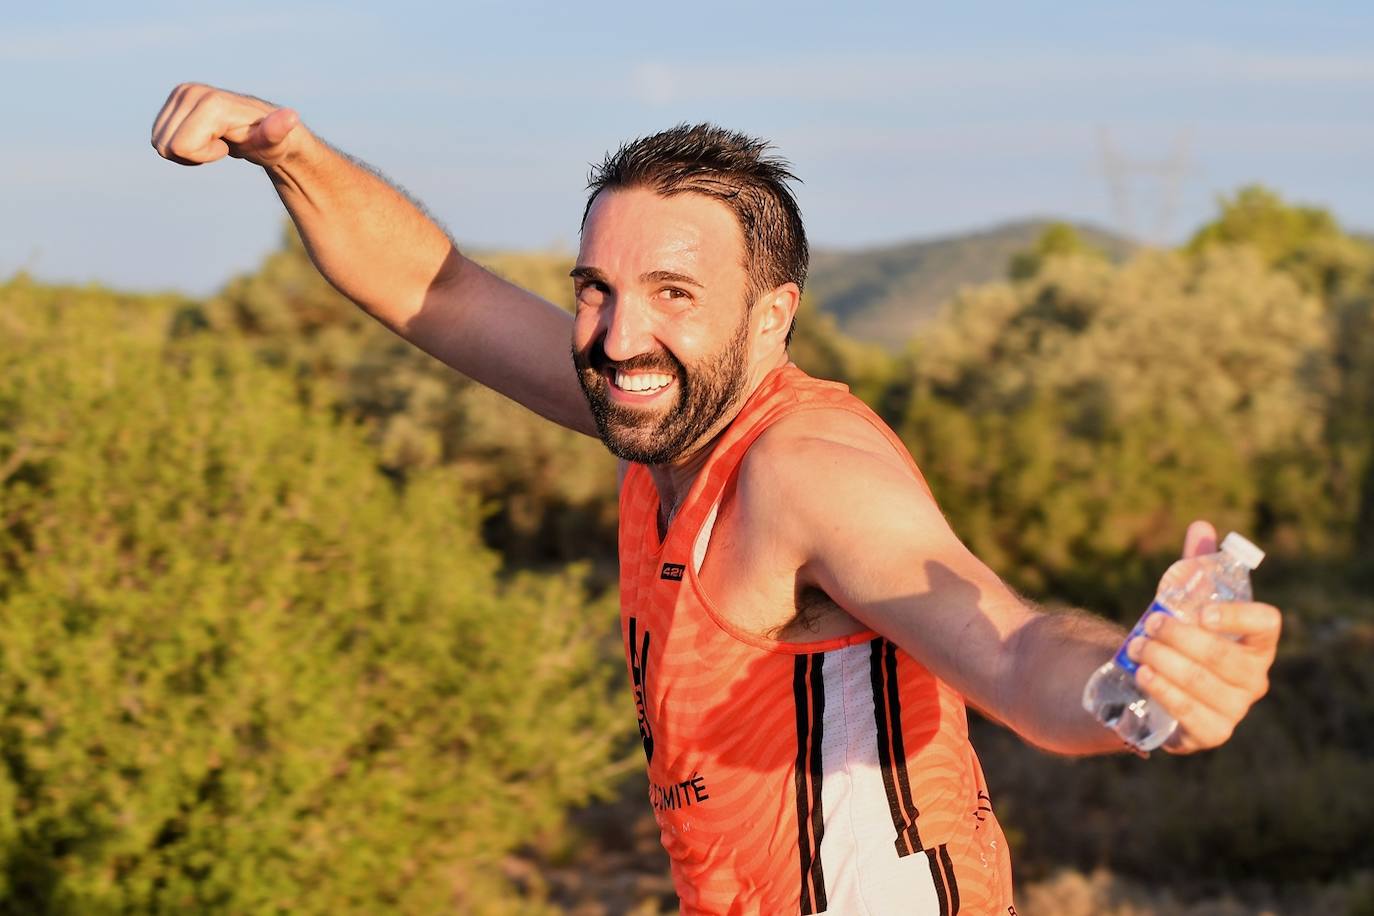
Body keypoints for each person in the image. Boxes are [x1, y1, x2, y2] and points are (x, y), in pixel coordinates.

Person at [151, 84, 1282, 916]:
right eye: (595, 289)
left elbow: (1019, 650)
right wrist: (289, 152)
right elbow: (435, 291)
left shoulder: (806, 470)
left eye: (673, 292)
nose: (617, 333)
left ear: (771, 316)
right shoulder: (652, 406)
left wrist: (1135, 680)